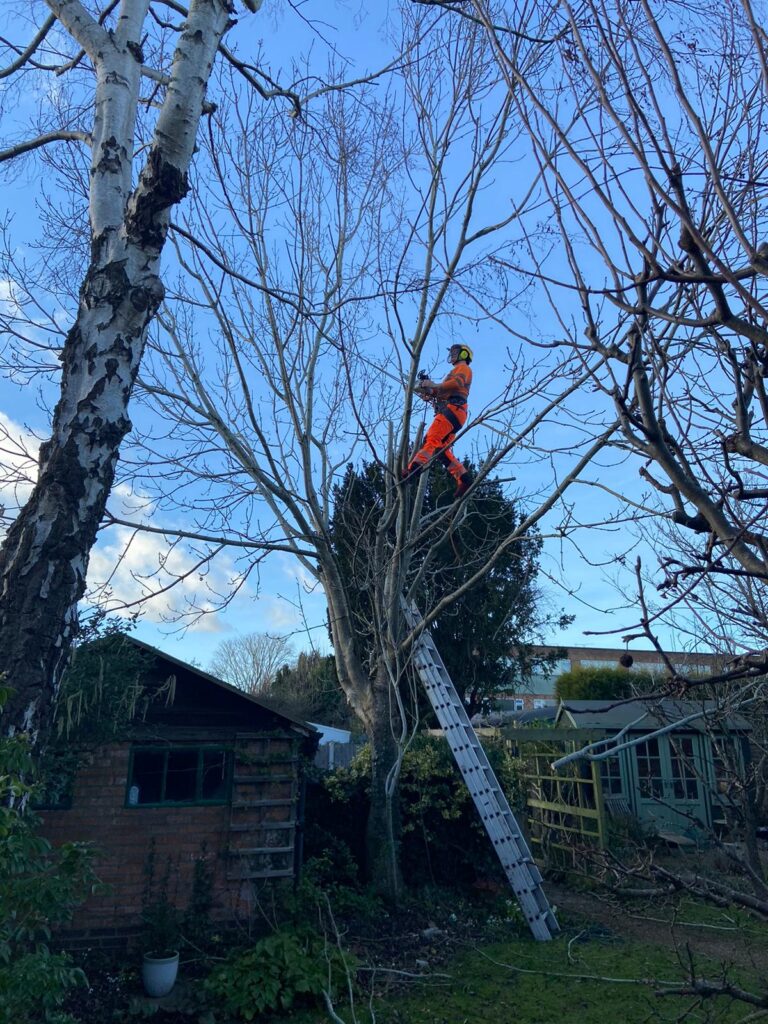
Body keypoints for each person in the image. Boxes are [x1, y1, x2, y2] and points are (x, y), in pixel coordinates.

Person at [404, 343, 473, 497]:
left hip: (452, 410)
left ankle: (413, 469)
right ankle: (464, 478)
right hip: (455, 412)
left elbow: (457, 384)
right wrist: (429, 391)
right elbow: (443, 391)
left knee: (431, 439)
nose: (453, 355)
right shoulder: (452, 374)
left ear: (463, 355)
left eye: (456, 352)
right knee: (442, 451)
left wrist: (434, 385)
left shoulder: (463, 368)